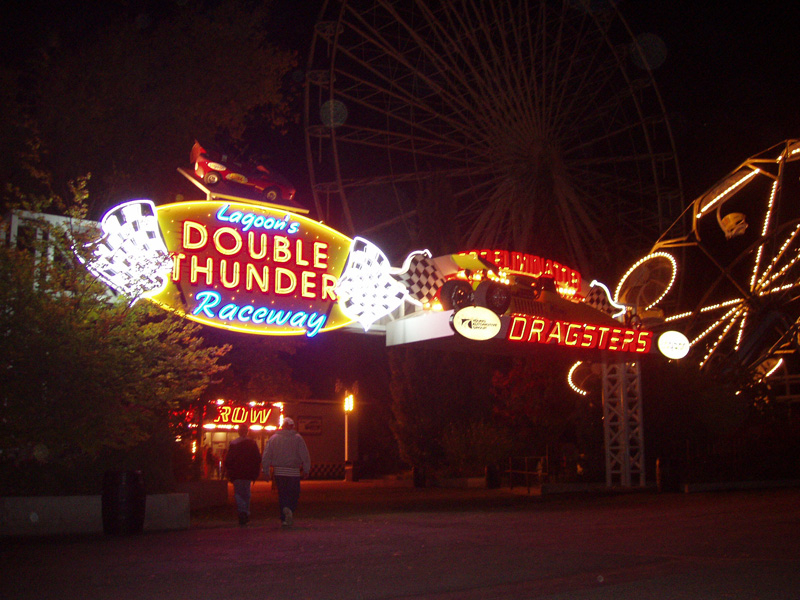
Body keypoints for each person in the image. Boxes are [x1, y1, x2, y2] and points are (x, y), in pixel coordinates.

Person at [262, 417, 311, 527]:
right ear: (291, 426)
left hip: (279, 471)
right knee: (294, 493)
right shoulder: (298, 438)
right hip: (294, 472)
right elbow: (305, 455)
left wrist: (266, 471)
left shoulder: (273, 438)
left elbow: (266, 455)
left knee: (282, 494)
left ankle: (284, 516)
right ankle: (289, 509)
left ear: (282, 426)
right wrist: (306, 469)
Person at [224, 424, 262, 526]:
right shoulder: (252, 443)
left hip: (237, 473)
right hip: (247, 473)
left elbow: (228, 460)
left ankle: (242, 511)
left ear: (238, 432)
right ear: (247, 432)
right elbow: (257, 459)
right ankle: (245, 512)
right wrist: (255, 472)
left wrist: (229, 471)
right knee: (246, 493)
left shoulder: (233, 444)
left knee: (238, 493)